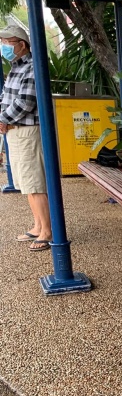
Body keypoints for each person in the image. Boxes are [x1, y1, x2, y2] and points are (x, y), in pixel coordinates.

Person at [0, 25, 52, 251]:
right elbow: (6, 97)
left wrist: (2, 119)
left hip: (27, 130)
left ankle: (47, 230)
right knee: (26, 182)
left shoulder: (32, 66)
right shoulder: (15, 66)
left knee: (35, 182)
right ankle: (38, 225)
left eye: (8, 42)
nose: (4, 46)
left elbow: (26, 102)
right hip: (15, 130)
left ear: (22, 45)